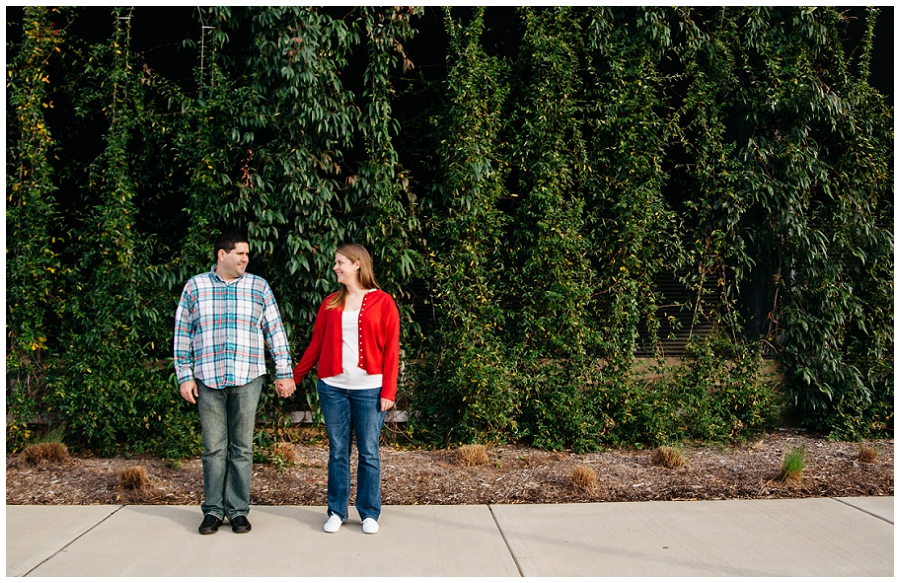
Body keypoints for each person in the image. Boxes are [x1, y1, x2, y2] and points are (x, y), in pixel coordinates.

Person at [174, 231, 296, 535]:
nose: (245, 259)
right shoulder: (195, 286)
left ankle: (239, 510)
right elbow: (182, 334)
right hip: (207, 378)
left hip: (247, 376)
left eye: (247, 254)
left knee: (242, 447)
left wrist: (284, 371)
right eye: (240, 253)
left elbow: (275, 332)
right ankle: (213, 510)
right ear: (221, 255)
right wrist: (184, 376)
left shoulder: (258, 287)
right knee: (213, 449)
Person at [292, 243, 399, 535]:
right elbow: (315, 345)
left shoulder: (383, 302)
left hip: (370, 389)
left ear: (357, 265)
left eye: (340, 262)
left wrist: (389, 390)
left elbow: (392, 350)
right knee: (338, 451)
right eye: (336, 262)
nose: (336, 267)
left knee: (368, 452)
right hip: (333, 388)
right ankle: (336, 511)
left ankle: (368, 513)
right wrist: (295, 377)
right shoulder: (330, 303)